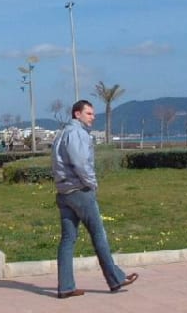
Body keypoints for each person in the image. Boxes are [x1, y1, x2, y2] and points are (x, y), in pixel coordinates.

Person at [51, 100, 139, 299]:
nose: (93, 117)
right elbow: (81, 163)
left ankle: (65, 286)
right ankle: (115, 278)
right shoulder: (77, 134)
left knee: (68, 239)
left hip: (64, 193)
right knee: (98, 234)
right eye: (89, 113)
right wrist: (92, 183)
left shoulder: (61, 134)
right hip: (79, 191)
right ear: (77, 114)